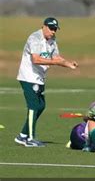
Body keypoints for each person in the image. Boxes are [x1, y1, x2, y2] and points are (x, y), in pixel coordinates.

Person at [15, 17, 78, 147]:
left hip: (39, 77)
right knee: (33, 106)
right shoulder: (35, 38)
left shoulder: (52, 40)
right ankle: (30, 139)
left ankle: (22, 135)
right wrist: (55, 62)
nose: (53, 31)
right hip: (28, 77)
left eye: (55, 29)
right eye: (51, 28)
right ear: (44, 26)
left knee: (41, 106)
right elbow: (36, 60)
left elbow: (56, 57)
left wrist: (68, 63)